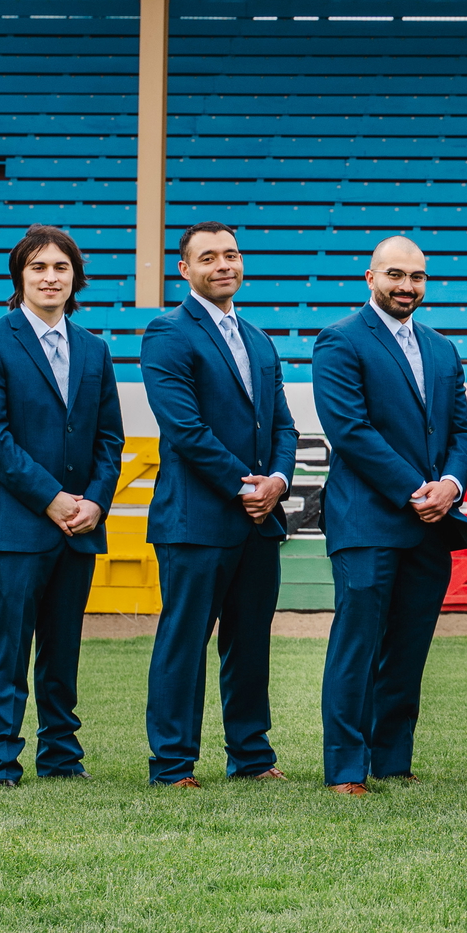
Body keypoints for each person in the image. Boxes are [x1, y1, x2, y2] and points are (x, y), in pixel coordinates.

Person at [310, 235, 467, 795]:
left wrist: (451, 485)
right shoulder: (339, 340)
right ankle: (345, 769)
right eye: (395, 275)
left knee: (408, 650)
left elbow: (461, 431)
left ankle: (391, 760)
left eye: (417, 276)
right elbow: (350, 431)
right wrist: (415, 490)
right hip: (367, 522)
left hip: (430, 526)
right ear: (371, 277)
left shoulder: (442, 349)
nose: (407, 286)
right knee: (357, 647)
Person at [0, 224, 123, 787]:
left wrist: (96, 502)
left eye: (60, 267)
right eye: (38, 267)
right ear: (20, 276)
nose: (50, 277)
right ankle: (1, 760)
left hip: (80, 526)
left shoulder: (95, 349)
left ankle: (60, 757)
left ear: (75, 277)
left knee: (63, 647)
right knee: (10, 646)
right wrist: (51, 498)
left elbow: (109, 439)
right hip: (19, 524)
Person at [138, 221, 298, 788]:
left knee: (250, 644)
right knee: (184, 644)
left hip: (259, 521)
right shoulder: (167, 333)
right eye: (208, 257)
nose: (223, 264)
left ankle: (251, 757)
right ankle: (173, 763)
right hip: (196, 520)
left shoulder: (259, 339)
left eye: (231, 254)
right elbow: (185, 430)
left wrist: (278, 479)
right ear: (185, 269)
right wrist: (247, 486)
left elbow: (283, 425)